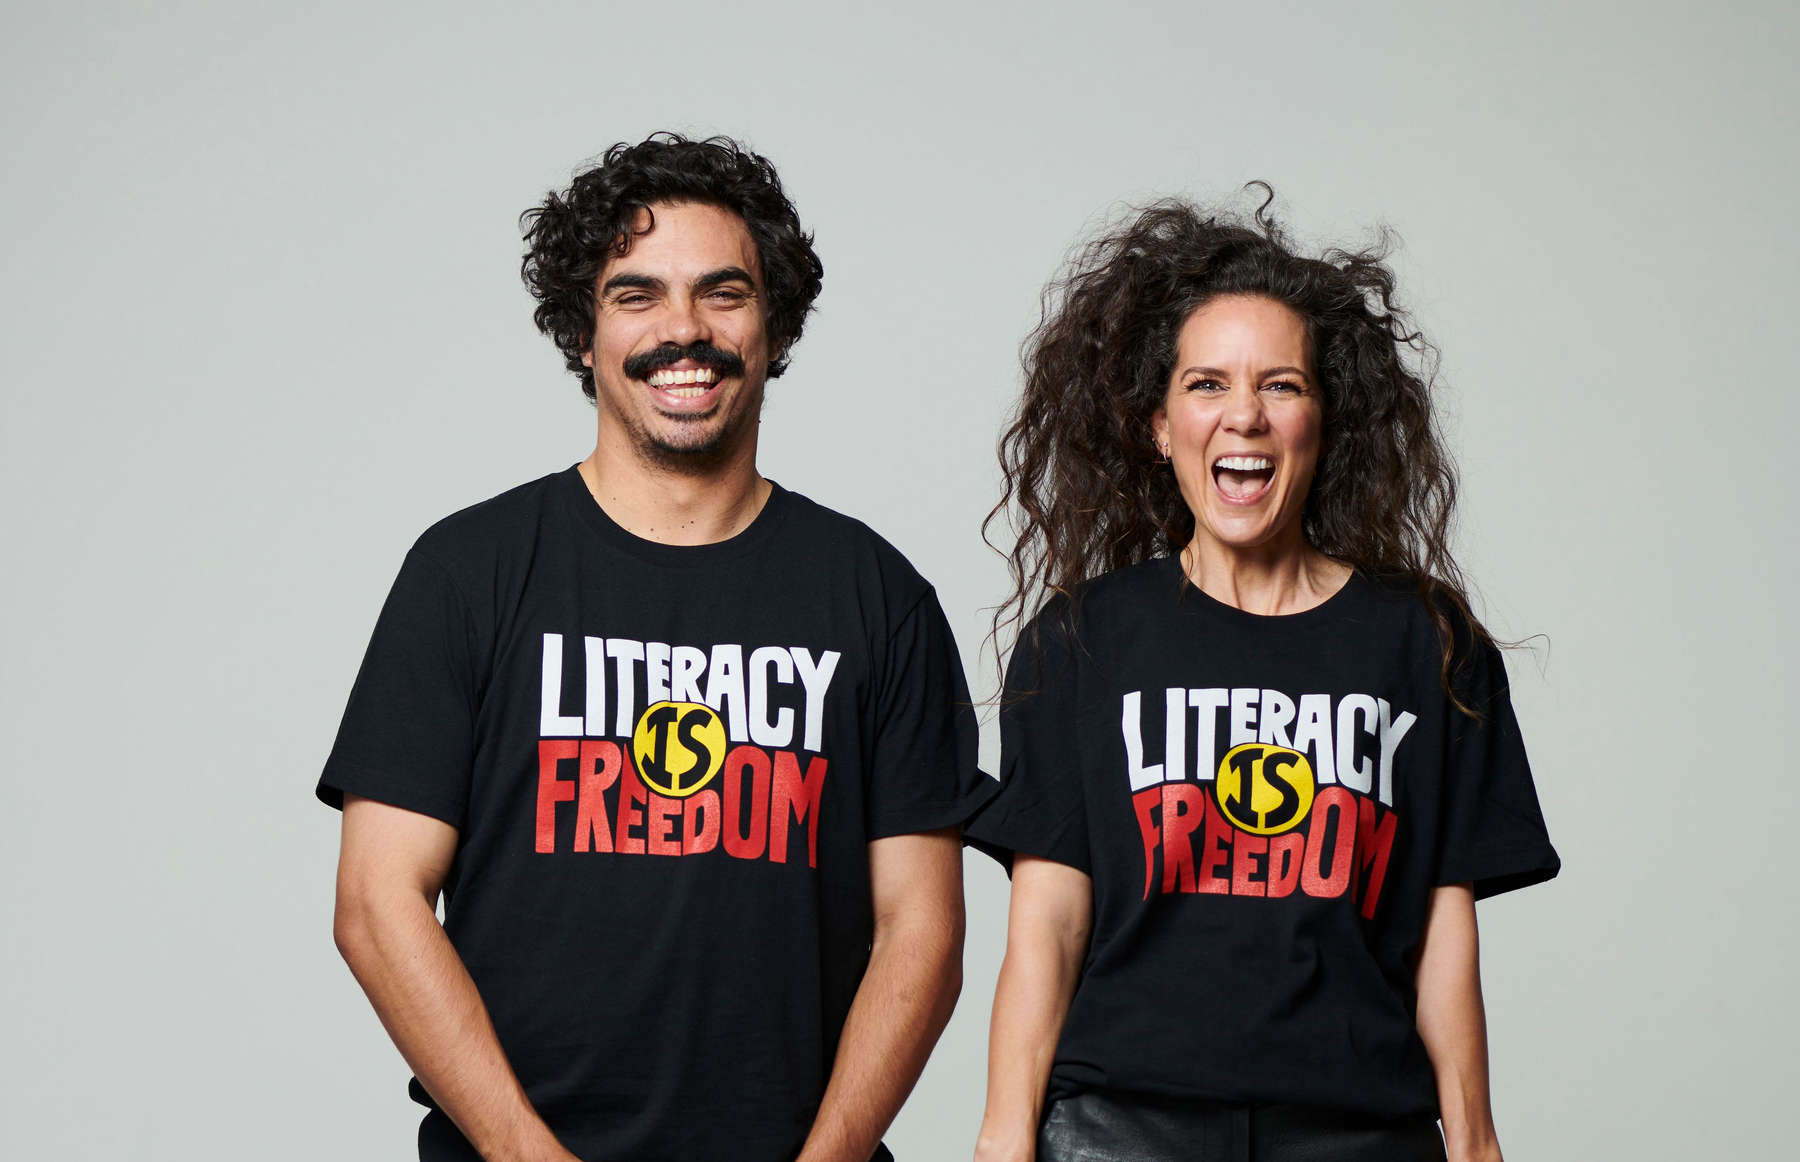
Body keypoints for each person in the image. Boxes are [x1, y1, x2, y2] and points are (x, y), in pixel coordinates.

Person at [319, 133, 993, 1162]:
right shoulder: (466, 572)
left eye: (724, 293)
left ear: (774, 324)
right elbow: (377, 903)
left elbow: (924, 932)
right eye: (636, 295)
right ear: (583, 333)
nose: (685, 329)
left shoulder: (877, 597)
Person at [965, 192, 1559, 1162]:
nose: (1243, 415)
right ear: (1160, 425)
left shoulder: (1424, 643)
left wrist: (1478, 1142)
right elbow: (1048, 925)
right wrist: (1002, 1137)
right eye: (1207, 384)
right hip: (1122, 1127)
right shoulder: (1082, 639)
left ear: (1325, 422)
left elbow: (1441, 924)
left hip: (1358, 1130)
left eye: (1281, 385)